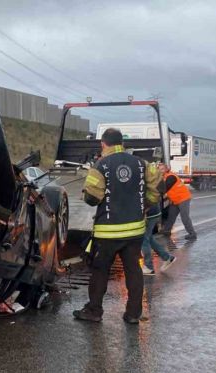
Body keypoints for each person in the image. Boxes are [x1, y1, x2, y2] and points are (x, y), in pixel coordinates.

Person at [73, 128, 161, 324]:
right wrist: (144, 205)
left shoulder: (100, 165)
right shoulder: (141, 164)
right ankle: (133, 314)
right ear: (122, 143)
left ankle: (94, 311)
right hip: (135, 231)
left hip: (107, 232)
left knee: (100, 271)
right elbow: (156, 189)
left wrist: (86, 193)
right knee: (133, 271)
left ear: (103, 144)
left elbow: (92, 199)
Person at [141, 184, 176, 275]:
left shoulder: (138, 179)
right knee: (149, 238)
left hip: (149, 213)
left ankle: (149, 267)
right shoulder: (144, 175)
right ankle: (167, 257)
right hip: (154, 212)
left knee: (144, 239)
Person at [159, 163, 197, 240]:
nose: (160, 171)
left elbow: (164, 188)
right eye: (159, 169)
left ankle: (192, 234)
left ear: (167, 169)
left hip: (183, 198)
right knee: (171, 216)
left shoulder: (171, 177)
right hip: (175, 200)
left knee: (184, 217)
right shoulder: (164, 176)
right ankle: (166, 231)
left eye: (162, 169)